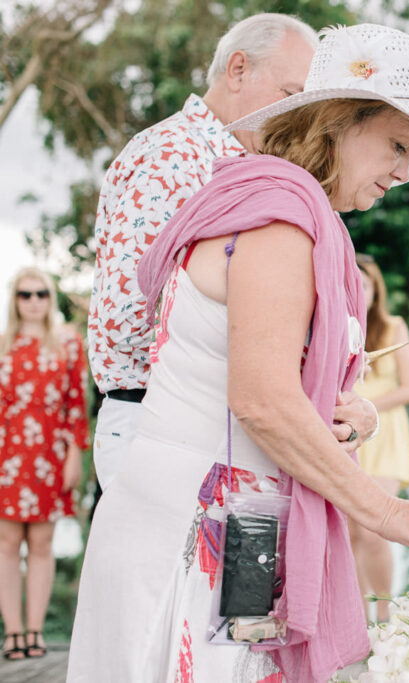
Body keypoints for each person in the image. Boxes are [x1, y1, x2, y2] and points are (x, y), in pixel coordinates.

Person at [68, 24, 409, 683]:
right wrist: (392, 512)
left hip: (241, 522)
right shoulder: (278, 221)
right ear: (336, 123)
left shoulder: (281, 208)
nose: (404, 171)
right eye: (396, 144)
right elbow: (261, 398)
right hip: (199, 525)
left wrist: (346, 407)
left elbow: (263, 376)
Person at [87, 14, 335, 490]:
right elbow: (126, 318)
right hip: (158, 425)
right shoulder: (172, 157)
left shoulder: (241, 166)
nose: (297, 117)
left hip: (209, 424)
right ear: (238, 69)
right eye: (290, 95)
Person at [0, 267, 88, 660]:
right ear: (15, 300)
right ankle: (13, 633)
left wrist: (74, 456)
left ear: (50, 298)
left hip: (50, 454)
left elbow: (76, 403)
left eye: (40, 294)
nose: (33, 301)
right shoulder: (4, 344)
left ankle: (34, 631)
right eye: (24, 294)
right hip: (7, 452)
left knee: (41, 543)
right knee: (6, 544)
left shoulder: (69, 343)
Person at [349, 254, 409, 622]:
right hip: (347, 440)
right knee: (349, 535)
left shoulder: (394, 327)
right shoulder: (335, 328)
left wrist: (364, 408)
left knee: (373, 528)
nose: (358, 291)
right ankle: (358, 621)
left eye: (365, 285)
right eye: (352, 283)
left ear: (376, 292)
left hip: (384, 439)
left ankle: (385, 616)